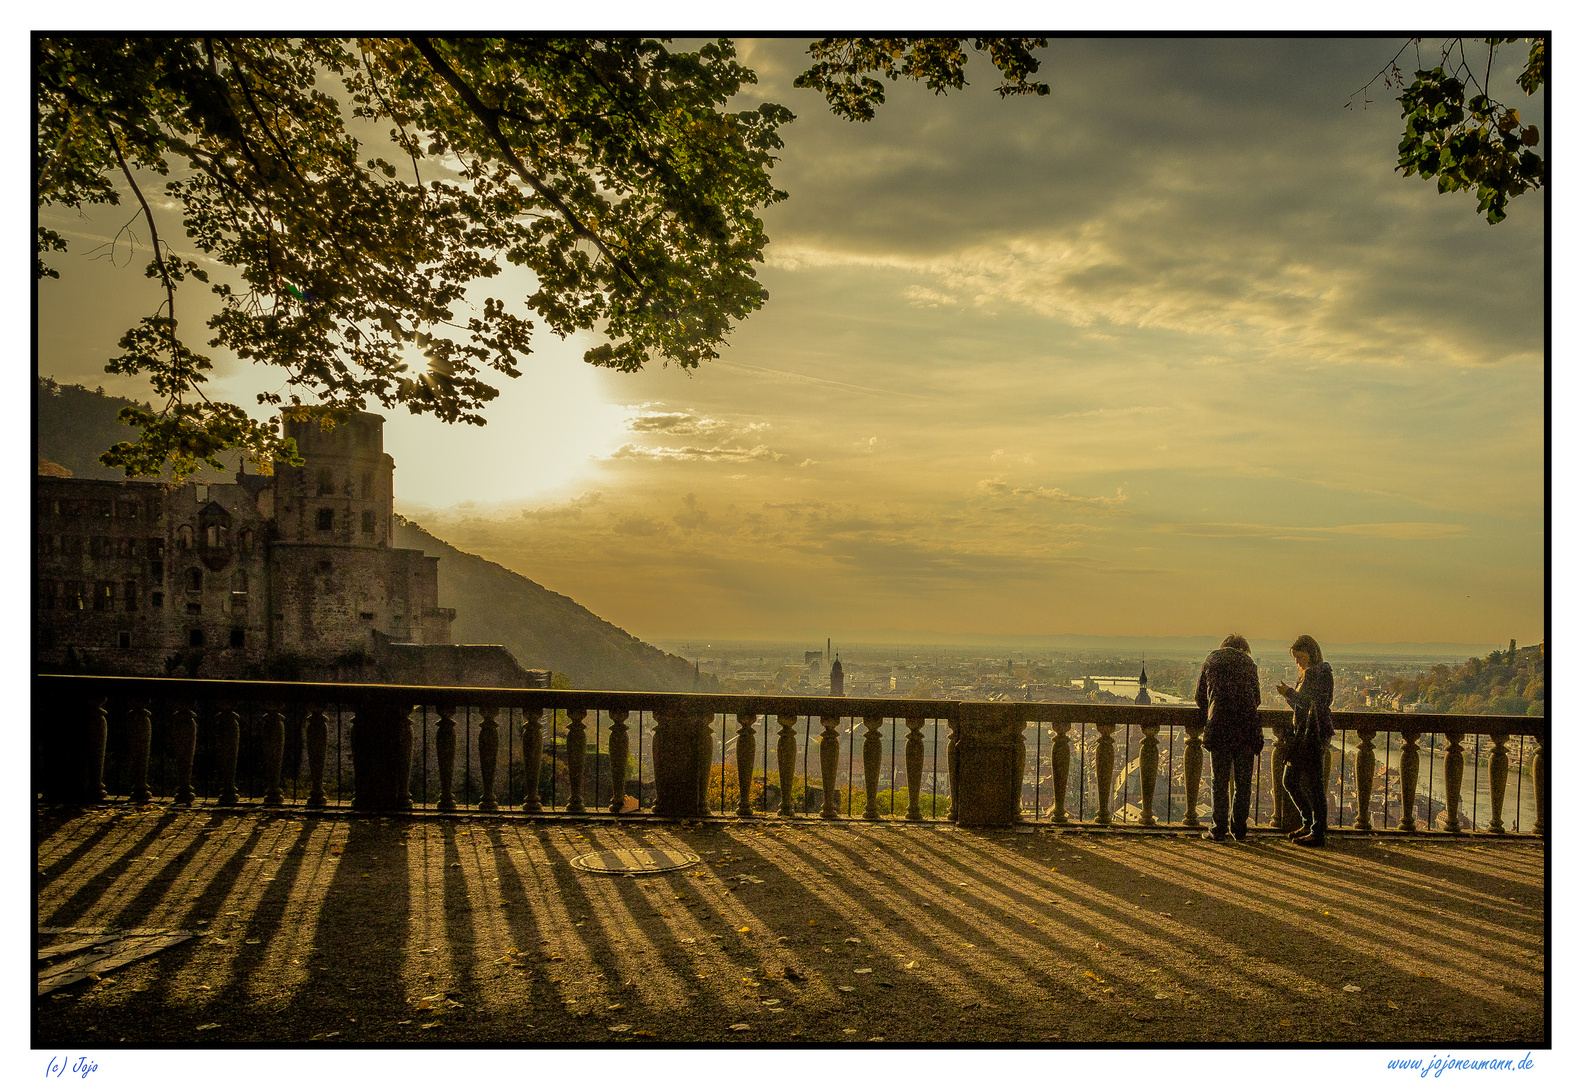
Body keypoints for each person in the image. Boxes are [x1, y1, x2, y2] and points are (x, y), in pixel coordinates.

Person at [1194, 634, 1263, 842]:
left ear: (1223, 647)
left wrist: (1213, 711)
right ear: (1243, 649)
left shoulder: (1211, 660)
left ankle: (1218, 829)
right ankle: (1239, 830)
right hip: (1246, 728)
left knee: (1219, 781)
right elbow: (1257, 698)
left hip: (1220, 727)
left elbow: (1199, 697)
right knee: (1243, 783)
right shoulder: (1249, 664)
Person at [1276, 634, 1334, 847]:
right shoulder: (1316, 673)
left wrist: (1289, 692)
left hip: (1311, 736)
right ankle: (1310, 825)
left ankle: (1316, 830)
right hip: (1307, 734)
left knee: (1310, 784)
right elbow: (1304, 706)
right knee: (1297, 781)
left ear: (1310, 654)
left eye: (1299, 656)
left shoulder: (1315, 674)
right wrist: (1290, 696)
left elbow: (1314, 703)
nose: (1297, 661)